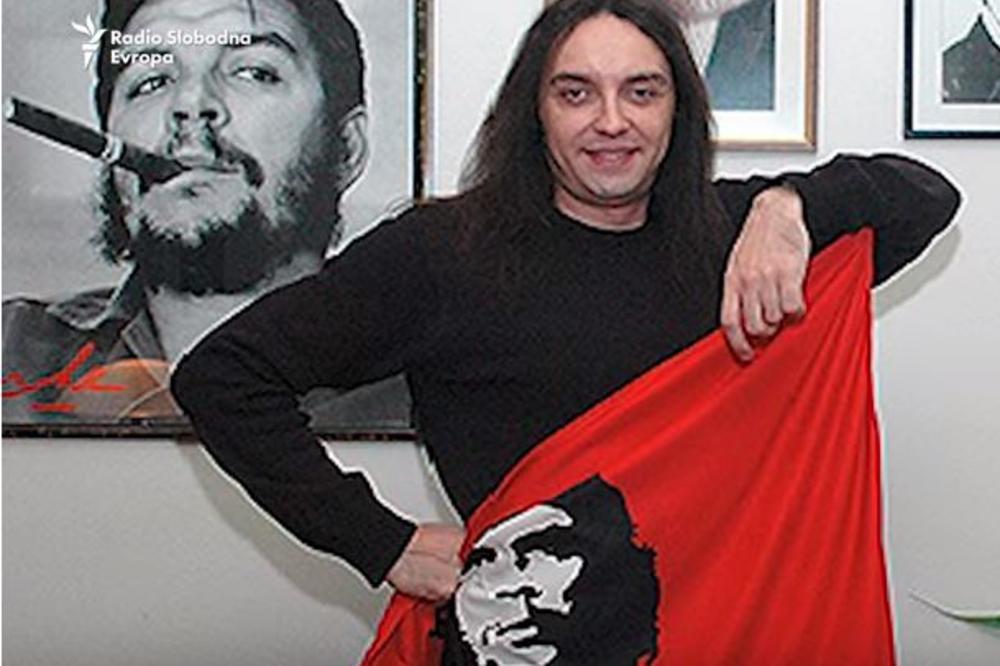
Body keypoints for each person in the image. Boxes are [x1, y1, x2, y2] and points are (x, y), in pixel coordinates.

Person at [171, 0, 960, 656]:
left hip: (721, 636)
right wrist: (380, 541)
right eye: (576, 93)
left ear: (678, 110)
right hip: (520, 642)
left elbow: (925, 197)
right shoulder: (442, 253)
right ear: (535, 113)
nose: (611, 121)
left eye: (642, 92)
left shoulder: (734, 239)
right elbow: (223, 378)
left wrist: (791, 204)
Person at [1, 0, 409, 425]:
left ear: (346, 149)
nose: (190, 103)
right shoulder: (11, 348)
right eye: (152, 81)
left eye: (253, 72)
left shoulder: (417, 380)